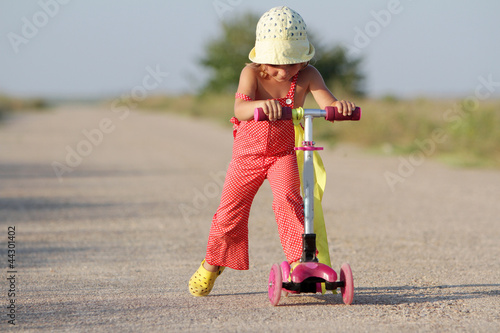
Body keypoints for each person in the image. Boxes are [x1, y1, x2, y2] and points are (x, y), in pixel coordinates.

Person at [189, 6, 356, 296]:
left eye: (292, 63)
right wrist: (258, 106)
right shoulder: (250, 74)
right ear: (262, 57)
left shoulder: (308, 74)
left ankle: (298, 264)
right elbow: (239, 109)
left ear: (303, 58)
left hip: (283, 153)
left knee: (290, 202)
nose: (284, 71)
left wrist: (340, 107)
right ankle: (213, 262)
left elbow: (327, 100)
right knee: (231, 212)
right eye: (277, 64)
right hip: (247, 156)